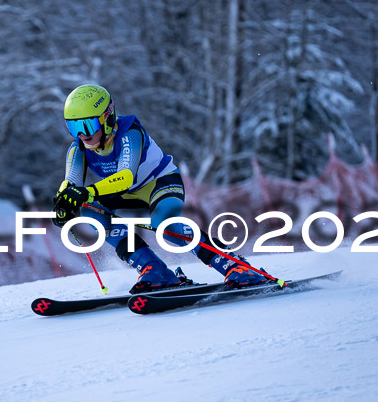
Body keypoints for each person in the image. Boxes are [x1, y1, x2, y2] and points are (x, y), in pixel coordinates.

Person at [52, 84, 267, 293]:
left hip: (161, 182)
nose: (82, 134)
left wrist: (87, 192)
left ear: (106, 118)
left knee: (167, 227)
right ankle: (153, 269)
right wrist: (64, 203)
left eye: (87, 125)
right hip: (127, 193)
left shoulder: (129, 133)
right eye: (73, 127)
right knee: (91, 210)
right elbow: (71, 182)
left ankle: (234, 265)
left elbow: (126, 177)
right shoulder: (77, 148)